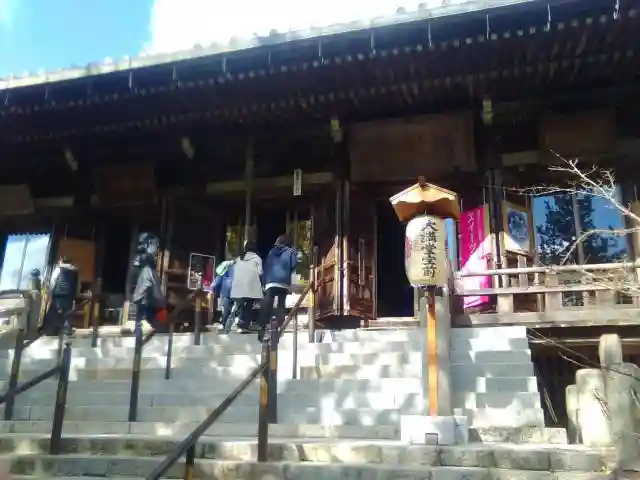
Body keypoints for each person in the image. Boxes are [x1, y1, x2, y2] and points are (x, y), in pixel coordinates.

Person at [258, 234, 300, 340]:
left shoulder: (271, 252)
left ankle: (263, 326)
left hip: (270, 280)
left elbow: (266, 266)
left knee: (268, 304)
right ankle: (279, 326)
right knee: (281, 304)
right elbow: (294, 265)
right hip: (283, 280)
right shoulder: (291, 252)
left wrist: (264, 282)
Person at [229, 241, 263, 333]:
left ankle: (239, 323)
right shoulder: (257, 258)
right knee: (249, 306)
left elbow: (234, 271)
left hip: (238, 286)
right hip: (250, 286)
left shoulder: (238, 258)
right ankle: (244, 326)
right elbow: (260, 272)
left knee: (241, 305)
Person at [41, 256, 79, 335]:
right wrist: (74, 297)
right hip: (69, 297)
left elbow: (53, 282)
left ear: (62, 261)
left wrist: (49, 293)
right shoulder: (75, 271)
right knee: (67, 315)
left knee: (53, 315)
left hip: (58, 296)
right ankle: (67, 332)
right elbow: (77, 285)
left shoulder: (58, 269)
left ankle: (49, 332)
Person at [132, 252, 165, 335]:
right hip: (147, 298)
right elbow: (149, 285)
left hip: (144, 298)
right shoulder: (148, 271)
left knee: (141, 316)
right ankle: (159, 328)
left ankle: (139, 330)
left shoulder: (147, 271)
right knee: (152, 313)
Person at [212, 259, 235, 333]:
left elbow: (218, 278)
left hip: (225, 290)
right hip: (235, 291)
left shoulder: (226, 267)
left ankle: (223, 325)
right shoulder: (238, 268)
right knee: (232, 309)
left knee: (225, 309)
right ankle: (230, 325)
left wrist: (212, 287)